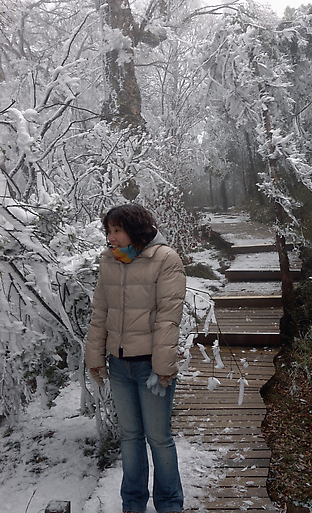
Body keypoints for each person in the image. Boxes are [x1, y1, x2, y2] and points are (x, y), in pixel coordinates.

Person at [85, 203, 185, 513]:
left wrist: (163, 367)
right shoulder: (110, 261)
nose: (111, 238)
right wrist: (95, 357)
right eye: (108, 231)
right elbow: (101, 312)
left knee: (158, 438)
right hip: (119, 365)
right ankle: (132, 503)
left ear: (135, 229)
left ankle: (169, 504)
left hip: (152, 367)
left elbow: (169, 317)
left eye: (117, 230)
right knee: (130, 437)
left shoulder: (165, 259)